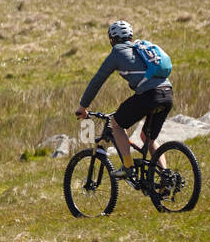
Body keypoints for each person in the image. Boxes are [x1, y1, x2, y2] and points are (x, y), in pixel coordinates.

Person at [74, 20, 173, 181]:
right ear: (130, 36)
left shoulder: (117, 53)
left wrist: (82, 106)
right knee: (147, 138)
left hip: (149, 95)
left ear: (112, 39)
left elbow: (97, 80)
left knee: (116, 123)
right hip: (167, 93)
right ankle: (166, 178)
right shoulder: (139, 48)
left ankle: (128, 167)